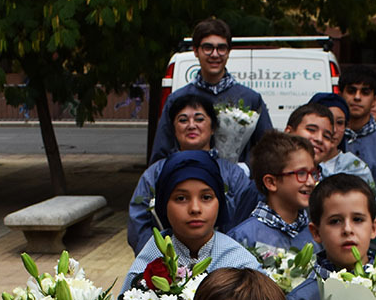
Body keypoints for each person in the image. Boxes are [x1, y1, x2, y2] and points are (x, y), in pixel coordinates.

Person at [127, 93, 257, 253]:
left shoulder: (233, 173)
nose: (191, 125)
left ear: (213, 127)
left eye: (199, 119)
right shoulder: (155, 173)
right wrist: (160, 259)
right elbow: (138, 222)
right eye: (183, 120)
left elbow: (247, 217)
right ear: (173, 129)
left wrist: (226, 258)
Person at [125, 150, 259, 291]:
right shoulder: (144, 269)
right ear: (164, 205)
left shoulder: (243, 266)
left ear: (219, 202)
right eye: (181, 198)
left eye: (206, 197)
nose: (195, 208)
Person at [150, 18, 274, 164]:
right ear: (196, 51)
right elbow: (161, 153)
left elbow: (269, 151)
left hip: (238, 184)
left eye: (221, 48)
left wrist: (246, 172)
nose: (215, 54)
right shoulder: (177, 99)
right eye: (208, 48)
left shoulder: (250, 99)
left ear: (228, 52)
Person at [228, 132, 317, 252]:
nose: (311, 182)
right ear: (271, 182)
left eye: (313, 173)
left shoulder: (315, 234)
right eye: (301, 173)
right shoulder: (243, 237)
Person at [339, 66, 376, 189]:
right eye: (351, 91)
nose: (357, 97)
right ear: (341, 95)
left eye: (365, 92)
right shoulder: (332, 139)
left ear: (374, 99)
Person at [307, 92, 374, 187]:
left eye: (340, 123)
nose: (333, 130)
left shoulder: (356, 167)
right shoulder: (296, 163)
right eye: (328, 122)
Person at [285, 102, 333, 166]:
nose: (319, 139)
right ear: (289, 132)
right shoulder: (269, 168)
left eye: (326, 136)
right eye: (311, 130)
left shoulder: (332, 175)